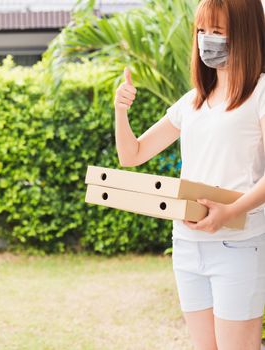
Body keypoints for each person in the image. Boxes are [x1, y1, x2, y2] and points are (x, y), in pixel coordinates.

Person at [114, 0, 265, 348]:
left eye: (218, 31)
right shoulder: (192, 101)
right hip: (186, 247)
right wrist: (121, 110)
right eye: (201, 31)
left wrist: (231, 211)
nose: (206, 40)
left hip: (238, 246)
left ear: (244, 34)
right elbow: (131, 155)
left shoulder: (259, 94)